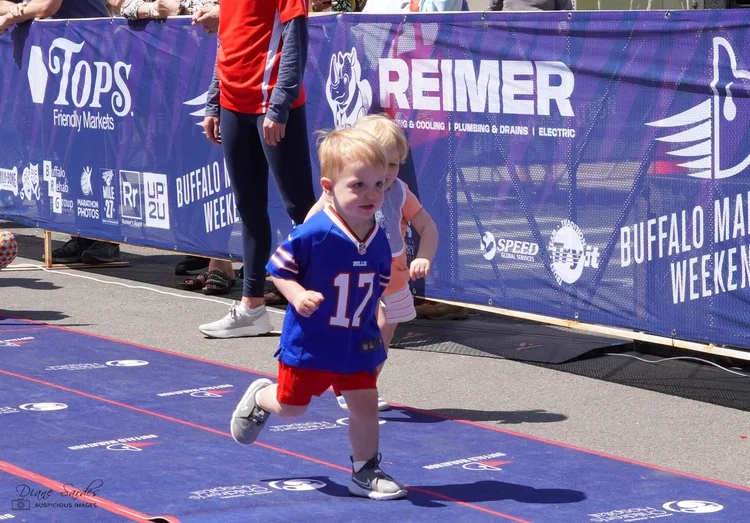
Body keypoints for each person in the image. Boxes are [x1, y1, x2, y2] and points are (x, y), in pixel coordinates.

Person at [229, 127, 407, 501]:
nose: (371, 194)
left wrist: (375, 313)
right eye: (358, 185)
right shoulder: (316, 232)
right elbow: (279, 269)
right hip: (312, 342)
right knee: (292, 407)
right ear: (329, 187)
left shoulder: (378, 235)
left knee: (365, 404)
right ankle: (262, 396)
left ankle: (365, 471)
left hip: (356, 340)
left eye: (379, 184)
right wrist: (297, 295)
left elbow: (378, 280)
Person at [197, 0, 317, 338]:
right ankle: (252, 309)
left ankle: (326, 305)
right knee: (248, 207)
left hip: (272, 106)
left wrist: (278, 106)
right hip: (232, 104)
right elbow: (227, 39)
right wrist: (214, 100)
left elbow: (295, 42)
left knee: (301, 209)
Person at [305, 114, 438, 411]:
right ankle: (351, 385)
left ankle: (363, 386)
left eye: (393, 164)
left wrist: (423, 257)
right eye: (379, 162)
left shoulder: (400, 191)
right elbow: (310, 225)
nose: (387, 172)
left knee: (382, 336)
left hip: (393, 276)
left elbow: (428, 227)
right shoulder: (344, 190)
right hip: (353, 276)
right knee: (355, 331)